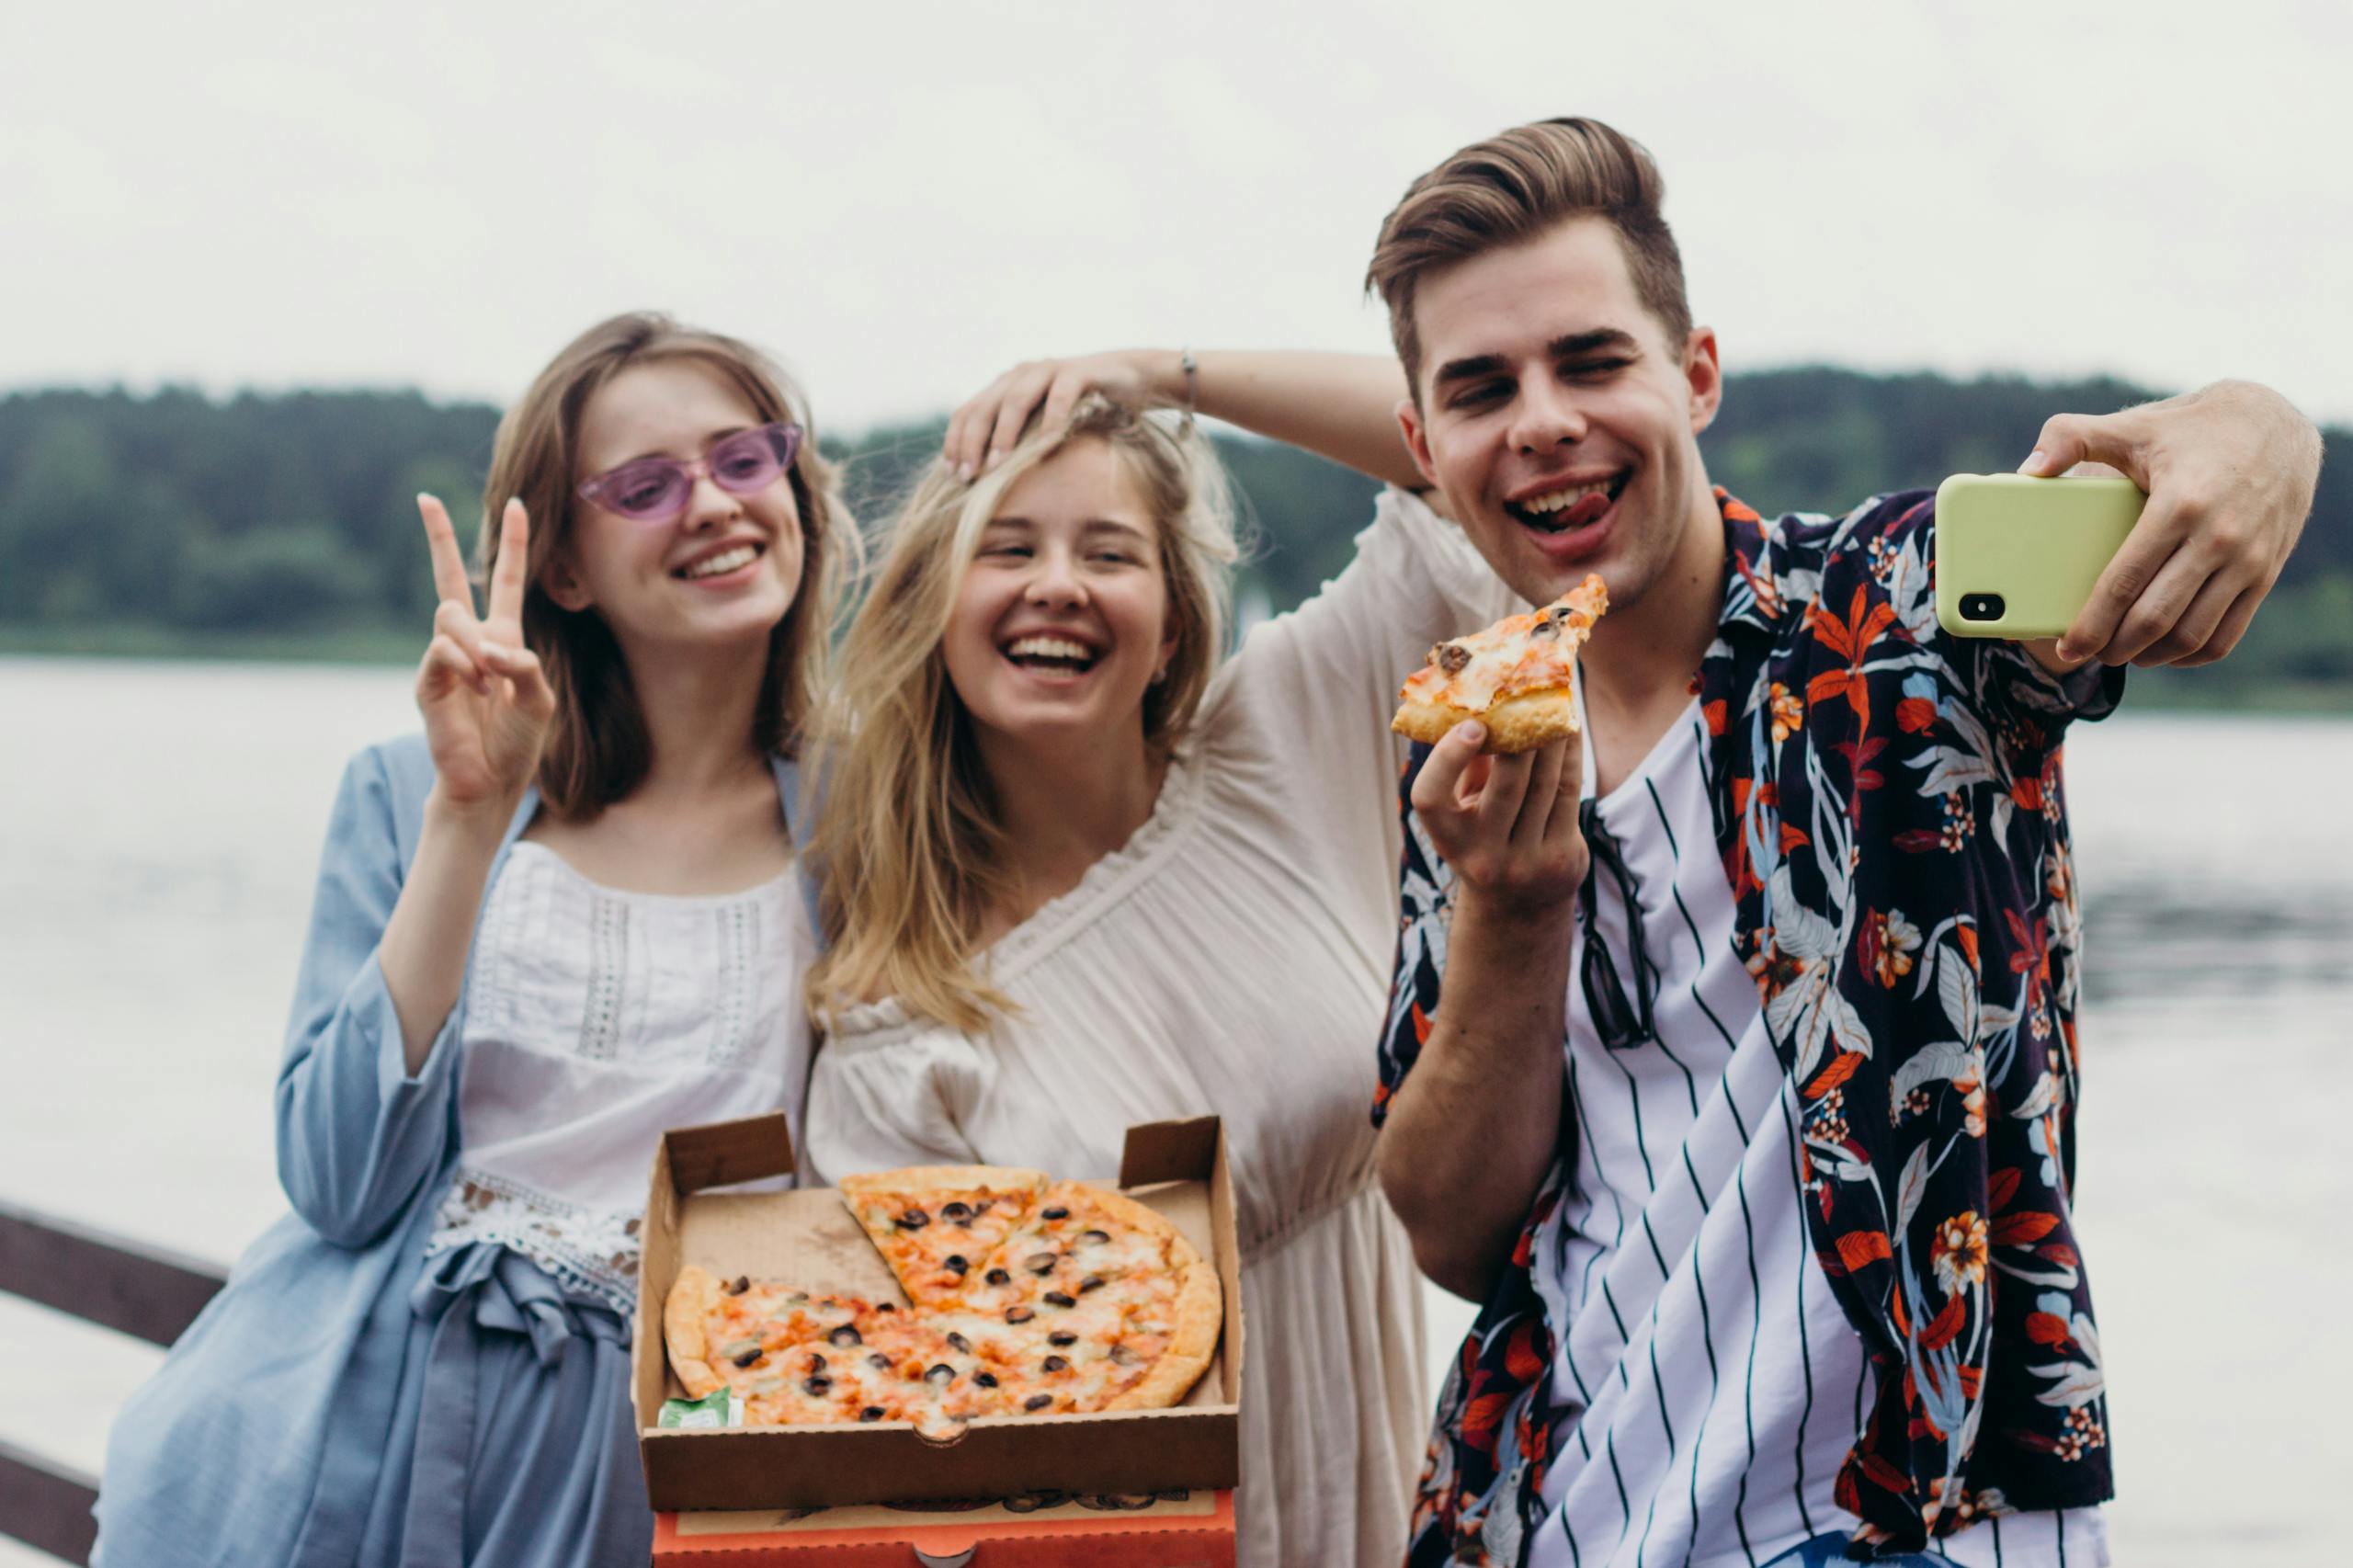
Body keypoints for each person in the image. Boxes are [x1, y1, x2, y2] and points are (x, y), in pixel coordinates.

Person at [1362, 119, 2323, 1567]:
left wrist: (2270, 430)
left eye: (1592, 361)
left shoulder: (1902, 610)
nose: (1544, 420)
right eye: (1484, 389)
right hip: (1556, 1518)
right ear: (1429, 449)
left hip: (1920, 1521)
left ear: (1694, 376)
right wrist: (1513, 907)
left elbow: (2223, 455)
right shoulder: (1468, 739)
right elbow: (1452, 1232)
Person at [94, 312, 855, 1567]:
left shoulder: (867, 826)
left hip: (678, 1454)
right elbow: (339, 1179)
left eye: (742, 460)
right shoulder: (412, 790)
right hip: (387, 1430)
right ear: (563, 565)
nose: (713, 505)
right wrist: (466, 820)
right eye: (646, 486)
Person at [799, 376, 1518, 1568]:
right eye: (1009, 546)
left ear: (1173, 623)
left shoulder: (1280, 746)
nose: (1059, 583)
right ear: (933, 607)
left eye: (1110, 551)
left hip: (1413, 1499)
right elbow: (933, 1461)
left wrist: (1154, 373)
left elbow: (1463, 469)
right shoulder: (899, 1033)